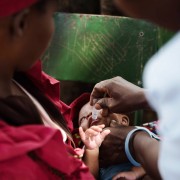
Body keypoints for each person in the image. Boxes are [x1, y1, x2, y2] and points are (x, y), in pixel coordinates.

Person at [0, 0, 108, 179]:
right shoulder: (13, 163)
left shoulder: (21, 81)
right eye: (51, 16)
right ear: (21, 23)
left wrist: (83, 114)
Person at [90, 0, 180, 179]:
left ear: (124, 121)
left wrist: (133, 142)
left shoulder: (170, 71)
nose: (94, 119)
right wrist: (147, 97)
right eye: (86, 118)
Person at [78, 102, 159, 180]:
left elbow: (163, 155)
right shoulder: (87, 149)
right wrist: (92, 151)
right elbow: (88, 177)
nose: (89, 115)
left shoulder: (140, 133)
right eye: (82, 119)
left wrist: (137, 172)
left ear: (123, 121)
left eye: (97, 108)